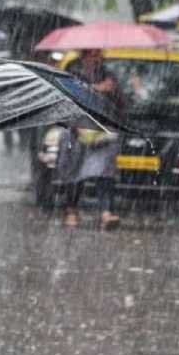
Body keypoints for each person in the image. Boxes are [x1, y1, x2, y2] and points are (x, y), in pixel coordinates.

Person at [56, 50, 123, 228]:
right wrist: (96, 89)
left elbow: (120, 106)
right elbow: (67, 102)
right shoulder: (72, 74)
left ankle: (106, 212)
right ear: (83, 57)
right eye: (90, 55)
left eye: (97, 55)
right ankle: (71, 210)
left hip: (103, 134)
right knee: (76, 173)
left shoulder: (110, 77)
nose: (94, 59)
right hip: (77, 133)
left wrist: (113, 91)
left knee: (105, 174)